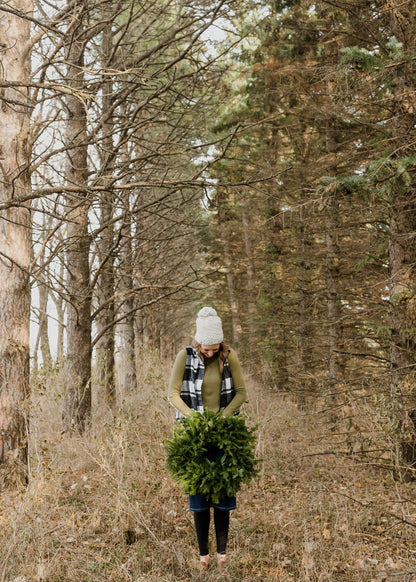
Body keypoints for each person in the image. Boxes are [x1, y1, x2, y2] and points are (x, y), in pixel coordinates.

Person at [168, 306, 248, 571]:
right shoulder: (186, 356)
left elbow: (240, 393)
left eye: (214, 348)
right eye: (206, 348)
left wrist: (222, 418)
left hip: (225, 435)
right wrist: (193, 418)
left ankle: (222, 556)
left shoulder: (229, 356)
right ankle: (204, 557)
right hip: (195, 436)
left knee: (223, 498)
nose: (210, 352)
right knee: (199, 498)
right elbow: (173, 394)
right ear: (198, 341)